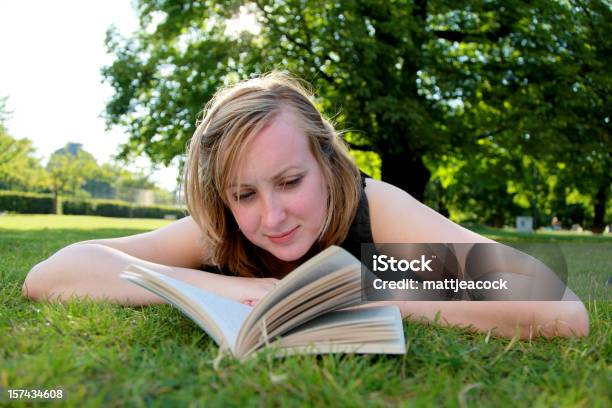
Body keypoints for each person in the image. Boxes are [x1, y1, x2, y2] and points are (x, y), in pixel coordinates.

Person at [22, 72, 588, 339]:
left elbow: (560, 309)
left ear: (327, 164)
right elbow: (53, 274)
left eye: (290, 181)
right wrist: (236, 290)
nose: (271, 217)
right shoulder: (224, 229)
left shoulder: (378, 209)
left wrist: (353, 289)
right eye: (245, 193)